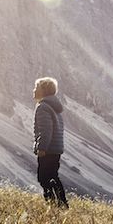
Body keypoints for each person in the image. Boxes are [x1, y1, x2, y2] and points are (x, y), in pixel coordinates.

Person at [33, 76, 68, 208]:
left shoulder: (43, 107)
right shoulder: (54, 107)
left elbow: (46, 130)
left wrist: (41, 148)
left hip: (48, 149)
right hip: (56, 148)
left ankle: (54, 204)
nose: (34, 90)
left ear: (44, 91)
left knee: (44, 177)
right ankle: (60, 204)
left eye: (37, 87)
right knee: (53, 176)